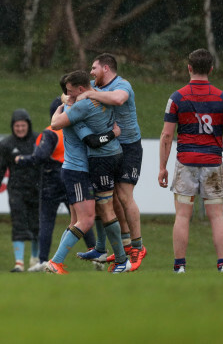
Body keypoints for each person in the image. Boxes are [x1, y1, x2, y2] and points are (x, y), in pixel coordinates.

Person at [159, 48, 223, 273]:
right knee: (216, 215)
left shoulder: (177, 97)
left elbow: (167, 135)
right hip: (213, 163)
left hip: (186, 162)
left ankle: (180, 266)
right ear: (211, 69)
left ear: (189, 68)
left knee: (183, 215)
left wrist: (162, 167)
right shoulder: (222, 98)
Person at [48, 71, 128, 274]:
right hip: (77, 170)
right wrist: (113, 133)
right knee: (86, 219)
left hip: (83, 169)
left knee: (84, 218)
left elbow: (67, 101)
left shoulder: (88, 98)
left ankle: (99, 250)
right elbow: (90, 140)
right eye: (66, 92)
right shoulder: (76, 111)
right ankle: (56, 262)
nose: (68, 94)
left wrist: (63, 102)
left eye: (69, 91)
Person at [77, 53, 146, 270]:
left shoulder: (123, 85)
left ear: (106, 68)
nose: (91, 72)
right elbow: (67, 93)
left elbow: (117, 99)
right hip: (110, 148)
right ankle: (124, 248)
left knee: (125, 197)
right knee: (111, 199)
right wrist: (80, 95)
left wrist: (90, 94)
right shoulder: (91, 86)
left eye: (94, 68)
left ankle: (138, 246)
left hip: (129, 146)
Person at [15, 97, 97, 272]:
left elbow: (41, 156)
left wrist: (22, 159)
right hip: (75, 176)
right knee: (82, 219)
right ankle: (95, 251)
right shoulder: (77, 128)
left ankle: (43, 259)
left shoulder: (51, 131)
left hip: (53, 178)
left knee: (46, 221)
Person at [0, 109, 40, 272]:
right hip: (16, 190)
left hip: (37, 189)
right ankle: (19, 263)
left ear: (28, 125)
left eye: (23, 125)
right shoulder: (6, 144)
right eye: (17, 126)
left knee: (37, 225)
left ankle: (35, 259)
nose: (20, 129)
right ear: (12, 126)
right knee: (18, 224)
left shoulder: (38, 140)